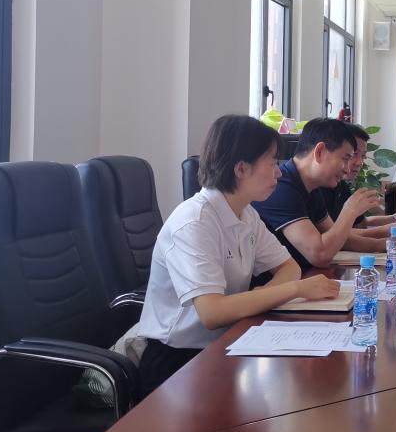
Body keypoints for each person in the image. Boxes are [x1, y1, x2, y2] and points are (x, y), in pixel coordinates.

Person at [138, 115, 341, 394]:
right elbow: (213, 312)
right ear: (241, 169)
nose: (279, 173)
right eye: (272, 163)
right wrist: (293, 290)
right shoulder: (194, 222)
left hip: (230, 340)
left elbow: (289, 267)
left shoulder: (246, 213)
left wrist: (263, 297)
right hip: (178, 362)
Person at [253, 118, 381, 269]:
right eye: (345, 159)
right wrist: (350, 211)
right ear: (319, 152)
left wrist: (384, 244)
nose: (347, 169)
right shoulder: (281, 188)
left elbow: (339, 238)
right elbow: (320, 255)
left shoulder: (312, 187)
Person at [321, 123, 396, 253]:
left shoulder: (340, 185)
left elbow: (360, 224)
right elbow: (336, 235)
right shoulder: (317, 188)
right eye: (352, 155)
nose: (359, 162)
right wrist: (387, 232)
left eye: (363, 156)